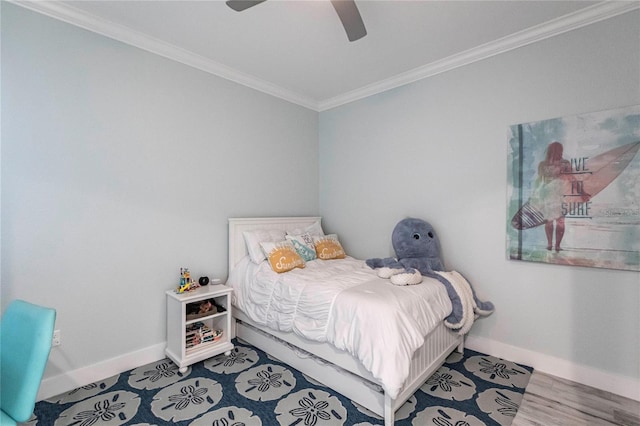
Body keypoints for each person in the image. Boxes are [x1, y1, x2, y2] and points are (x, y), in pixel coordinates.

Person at [531, 141, 570, 251]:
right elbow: (539, 182)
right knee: (557, 221)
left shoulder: (562, 163)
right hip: (554, 195)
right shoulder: (545, 165)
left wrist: (536, 195)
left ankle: (553, 245)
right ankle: (554, 245)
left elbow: (570, 179)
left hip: (555, 195)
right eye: (558, 150)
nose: (559, 152)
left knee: (554, 221)